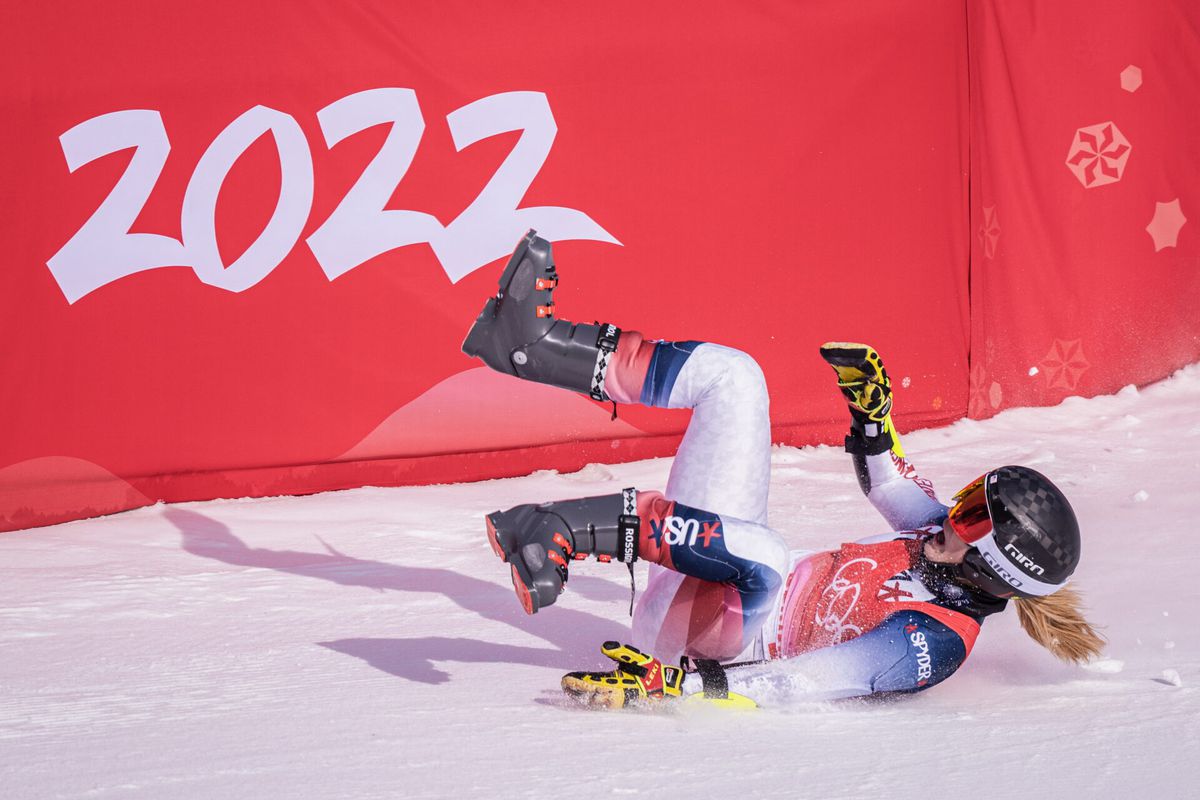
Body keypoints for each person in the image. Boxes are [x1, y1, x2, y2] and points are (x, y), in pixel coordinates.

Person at [462, 230, 1104, 709]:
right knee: (736, 377)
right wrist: (873, 416)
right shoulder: (941, 543)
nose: (950, 517)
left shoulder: (937, 640)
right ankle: (533, 346)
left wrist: (677, 686)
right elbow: (887, 481)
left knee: (768, 553)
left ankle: (554, 534)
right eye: (966, 501)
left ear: (992, 570)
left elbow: (807, 682)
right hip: (715, 587)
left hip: (705, 652)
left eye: (971, 519)